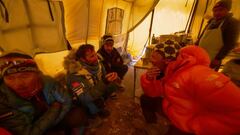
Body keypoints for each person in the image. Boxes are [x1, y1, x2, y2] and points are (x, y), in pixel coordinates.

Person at [140, 39, 240, 135]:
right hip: (175, 112)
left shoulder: (199, 75)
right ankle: (153, 125)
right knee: (146, 99)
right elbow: (153, 93)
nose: (150, 60)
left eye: (154, 57)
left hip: (190, 124)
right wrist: (148, 79)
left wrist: (194, 125)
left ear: (167, 60)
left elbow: (236, 111)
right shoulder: (169, 71)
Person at [0, 52, 87, 135]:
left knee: (78, 114)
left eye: (24, 76)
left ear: (36, 74)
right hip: (37, 127)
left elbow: (66, 101)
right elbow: (28, 133)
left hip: (51, 120)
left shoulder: (47, 82)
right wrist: (55, 109)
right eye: (10, 78)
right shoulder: (3, 101)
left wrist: (53, 123)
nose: (18, 84)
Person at [64, 44, 120, 122]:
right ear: (82, 59)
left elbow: (104, 77)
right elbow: (84, 98)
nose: (96, 58)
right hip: (81, 99)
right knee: (94, 104)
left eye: (95, 54)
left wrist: (111, 78)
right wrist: (104, 82)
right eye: (91, 56)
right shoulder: (75, 74)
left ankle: (99, 105)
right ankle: (91, 112)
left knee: (112, 86)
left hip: (95, 90)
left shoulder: (98, 64)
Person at [196, 0, 240, 70]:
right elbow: (201, 36)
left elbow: (230, 44)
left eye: (220, 10)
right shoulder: (211, 21)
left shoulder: (232, 22)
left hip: (213, 59)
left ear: (227, 10)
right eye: (215, 11)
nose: (217, 13)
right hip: (200, 55)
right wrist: (194, 48)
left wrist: (218, 58)